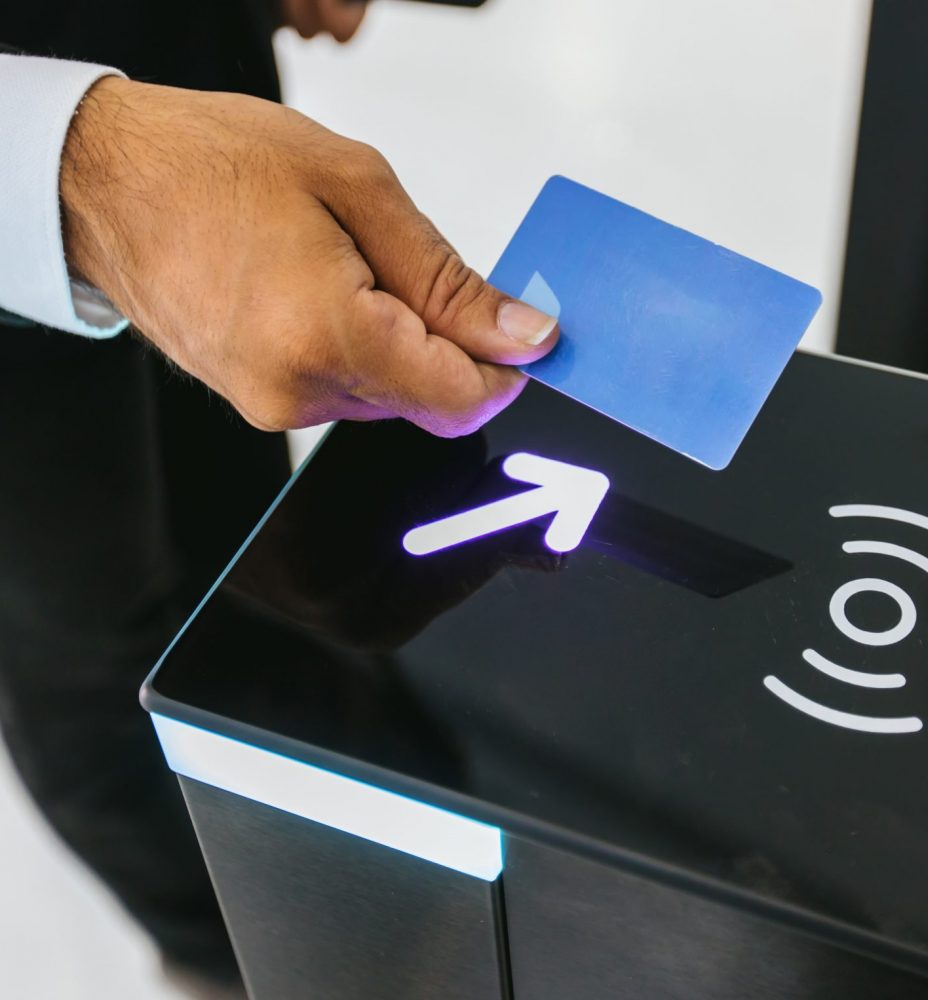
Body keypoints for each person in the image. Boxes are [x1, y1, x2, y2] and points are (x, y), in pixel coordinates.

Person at [0, 3, 558, 997]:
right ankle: (235, 945)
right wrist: (66, 163)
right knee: (86, 636)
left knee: (238, 506)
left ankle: (349, 854)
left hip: (177, 60)